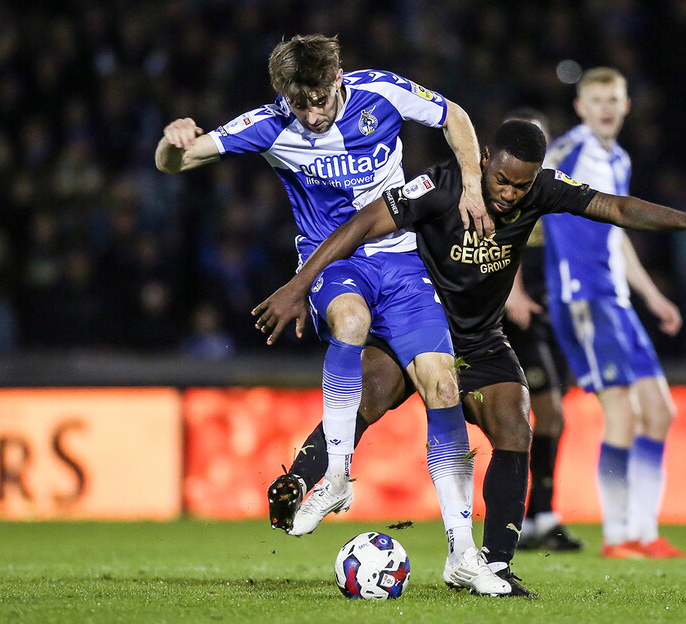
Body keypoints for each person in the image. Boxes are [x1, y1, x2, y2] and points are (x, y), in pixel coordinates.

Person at [254, 120, 686, 595]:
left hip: (482, 340)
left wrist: (685, 220)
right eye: (501, 180)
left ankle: (494, 565)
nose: (509, 193)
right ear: (483, 159)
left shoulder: (542, 189)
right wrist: (300, 284)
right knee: (366, 399)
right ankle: (297, 486)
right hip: (420, 325)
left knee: (515, 426)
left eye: (521, 185)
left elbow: (612, 206)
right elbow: (363, 222)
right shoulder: (441, 185)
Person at [155, 34, 507, 595]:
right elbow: (176, 161)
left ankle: (462, 554)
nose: (313, 113)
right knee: (349, 321)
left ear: (339, 76)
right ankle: (338, 473)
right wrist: (174, 142)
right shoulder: (268, 125)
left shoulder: (382, 92)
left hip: (403, 264)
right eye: (301, 103)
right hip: (331, 263)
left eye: (320, 97)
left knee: (443, 386)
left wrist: (470, 184)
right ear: (283, 97)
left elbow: (454, 116)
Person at [541, 67, 686, 559]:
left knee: (661, 412)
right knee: (622, 414)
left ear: (626, 105)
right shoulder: (568, 151)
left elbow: (617, 231)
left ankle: (644, 533)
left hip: (618, 302)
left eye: (614, 99)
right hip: (583, 298)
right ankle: (617, 535)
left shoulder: (618, 159)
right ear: (581, 108)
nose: (606, 107)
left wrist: (652, 297)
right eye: (597, 99)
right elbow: (524, 195)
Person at [497, 109, 583, 551]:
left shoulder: (553, 190)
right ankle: (535, 515)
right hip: (521, 315)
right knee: (543, 410)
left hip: (558, 315)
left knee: (552, 413)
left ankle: (536, 517)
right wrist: (514, 293)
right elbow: (500, 244)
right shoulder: (506, 192)